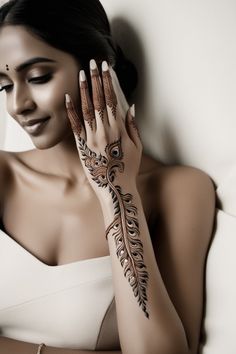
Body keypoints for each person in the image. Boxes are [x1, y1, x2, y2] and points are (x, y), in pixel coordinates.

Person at [0, 0, 215, 353]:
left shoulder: (180, 190)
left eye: (38, 77)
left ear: (99, 69)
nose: (17, 104)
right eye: (4, 86)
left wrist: (115, 187)